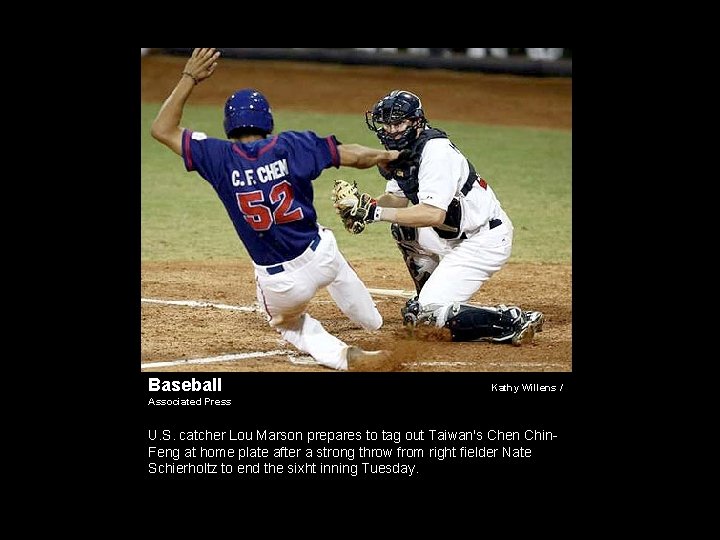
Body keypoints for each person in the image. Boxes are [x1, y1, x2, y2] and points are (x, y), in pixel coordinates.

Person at [150, 48, 400, 370]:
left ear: (228, 123)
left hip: (282, 284)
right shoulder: (292, 145)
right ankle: (374, 322)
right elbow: (353, 156)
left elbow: (162, 129)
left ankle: (343, 356)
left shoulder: (217, 157)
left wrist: (189, 77)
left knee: (288, 324)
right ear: (267, 119)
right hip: (321, 255)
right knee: (333, 258)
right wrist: (387, 156)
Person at [340, 89, 544, 345]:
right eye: (386, 124)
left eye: (398, 123)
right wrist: (365, 207)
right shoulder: (407, 150)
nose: (391, 130)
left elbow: (434, 214)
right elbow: (398, 200)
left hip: (482, 242)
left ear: (416, 122)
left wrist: (375, 213)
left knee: (425, 318)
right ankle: (430, 296)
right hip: (450, 236)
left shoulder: (436, 152)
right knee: (402, 227)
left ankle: (510, 320)